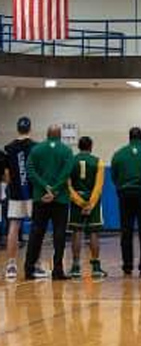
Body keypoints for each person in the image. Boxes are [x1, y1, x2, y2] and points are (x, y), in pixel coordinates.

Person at [24, 125, 73, 280]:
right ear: (60, 135)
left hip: (40, 198)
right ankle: (57, 270)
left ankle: (29, 268)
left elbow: (30, 171)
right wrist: (55, 190)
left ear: (47, 134)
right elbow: (67, 173)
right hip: (61, 199)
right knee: (59, 234)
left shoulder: (37, 149)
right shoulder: (66, 150)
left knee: (36, 233)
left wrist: (45, 187)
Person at [111, 127, 141, 277]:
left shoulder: (119, 154)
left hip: (125, 194)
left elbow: (114, 176)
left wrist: (121, 187)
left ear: (129, 137)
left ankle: (127, 266)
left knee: (126, 231)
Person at [68, 136, 107, 279]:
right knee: (93, 233)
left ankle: (75, 267)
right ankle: (96, 268)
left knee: (76, 232)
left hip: (77, 198)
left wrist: (79, 202)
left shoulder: (71, 161)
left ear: (78, 146)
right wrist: (90, 203)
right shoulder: (98, 162)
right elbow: (99, 185)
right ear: (91, 146)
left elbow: (68, 185)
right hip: (93, 200)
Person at [4, 117, 37, 279]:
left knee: (14, 226)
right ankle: (34, 265)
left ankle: (11, 265)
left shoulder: (9, 148)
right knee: (35, 228)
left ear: (17, 129)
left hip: (16, 194)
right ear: (30, 129)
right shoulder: (36, 147)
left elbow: (7, 176)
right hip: (32, 193)